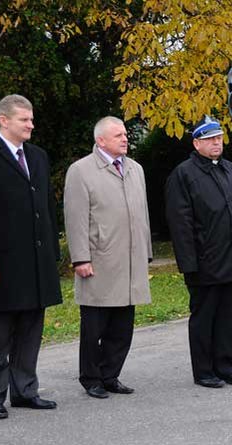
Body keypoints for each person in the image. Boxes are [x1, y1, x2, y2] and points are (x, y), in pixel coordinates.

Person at [0, 94, 62, 419]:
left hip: (36, 262)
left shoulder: (38, 156)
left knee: (31, 329)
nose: (31, 124)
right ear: (3, 120)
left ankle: (24, 390)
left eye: (31, 119)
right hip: (4, 263)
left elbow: (46, 207)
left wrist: (51, 251)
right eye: (24, 119)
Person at [63, 117, 152, 399]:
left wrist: (146, 250)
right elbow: (75, 218)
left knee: (122, 326)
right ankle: (91, 378)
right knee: (95, 326)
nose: (125, 138)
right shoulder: (81, 171)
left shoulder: (135, 169)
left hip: (130, 259)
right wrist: (80, 259)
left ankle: (110, 374)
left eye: (125, 134)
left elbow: (143, 214)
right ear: (101, 140)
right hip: (100, 260)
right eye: (118, 135)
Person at [165, 115, 232, 388]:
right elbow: (180, 223)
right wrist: (189, 263)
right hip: (205, 261)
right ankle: (204, 371)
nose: (216, 143)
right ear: (196, 143)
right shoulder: (184, 174)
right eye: (209, 139)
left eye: (218, 138)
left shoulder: (230, 169)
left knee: (228, 315)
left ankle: (225, 365)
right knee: (204, 317)